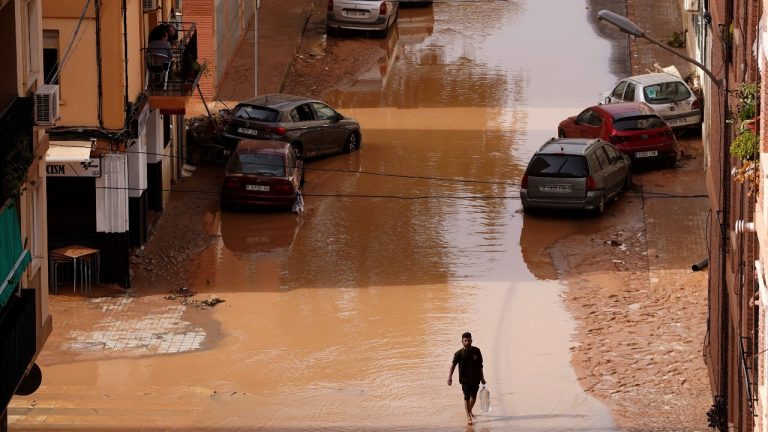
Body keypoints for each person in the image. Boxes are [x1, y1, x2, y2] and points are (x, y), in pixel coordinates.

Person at [448, 331, 486, 425]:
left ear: (471, 340)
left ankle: (469, 411)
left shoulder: (477, 351)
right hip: (464, 380)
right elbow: (453, 365)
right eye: (465, 340)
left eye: (469, 340)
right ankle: (469, 416)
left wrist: (482, 378)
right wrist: (450, 377)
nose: (467, 342)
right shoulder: (458, 354)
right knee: (466, 397)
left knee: (473, 397)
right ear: (462, 341)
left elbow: (480, 366)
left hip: (475, 378)